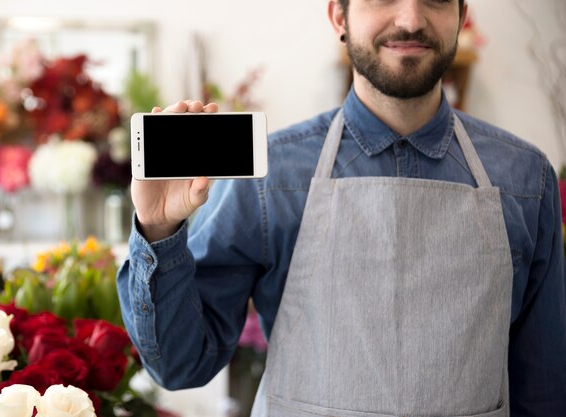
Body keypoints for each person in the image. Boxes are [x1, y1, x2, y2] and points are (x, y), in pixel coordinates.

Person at [117, 0, 566, 416]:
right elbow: (179, 365)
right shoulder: (271, 180)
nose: (410, 19)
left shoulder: (527, 181)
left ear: (462, 15)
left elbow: (544, 389)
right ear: (339, 17)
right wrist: (158, 229)